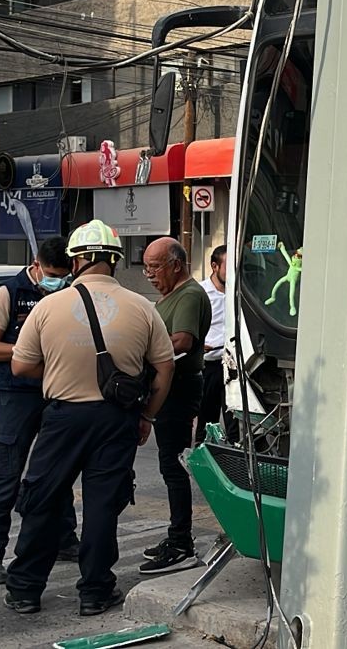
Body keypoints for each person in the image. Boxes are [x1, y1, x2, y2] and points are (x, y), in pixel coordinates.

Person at [3, 220, 175, 616]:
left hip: (63, 418)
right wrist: (146, 415)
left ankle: (26, 589)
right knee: (102, 506)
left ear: (77, 259)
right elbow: (164, 370)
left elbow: (20, 365)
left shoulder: (48, 306)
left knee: (43, 500)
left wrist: (61, 371)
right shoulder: (142, 307)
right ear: (114, 260)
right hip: (117, 419)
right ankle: (95, 592)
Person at [0, 237, 80, 586]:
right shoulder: (9, 293)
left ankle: (66, 540)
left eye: (64, 276)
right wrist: (28, 348)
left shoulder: (69, 294)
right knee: (6, 476)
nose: (58, 281)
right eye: (51, 274)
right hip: (15, 397)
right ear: (36, 265)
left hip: (56, 392)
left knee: (57, 473)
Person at [138, 237, 211, 575]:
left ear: (176, 265)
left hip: (179, 388)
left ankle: (182, 542)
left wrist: (142, 351)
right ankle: (177, 535)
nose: (149, 274)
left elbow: (182, 340)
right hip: (169, 387)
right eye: (147, 266)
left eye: (155, 267)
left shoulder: (190, 295)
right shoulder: (172, 295)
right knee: (170, 464)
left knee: (174, 465)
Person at [195, 244, 228, 445]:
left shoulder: (238, 291)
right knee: (208, 418)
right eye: (227, 266)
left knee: (235, 418)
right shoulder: (201, 293)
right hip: (210, 365)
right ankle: (203, 457)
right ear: (214, 266)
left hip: (233, 363)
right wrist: (199, 344)